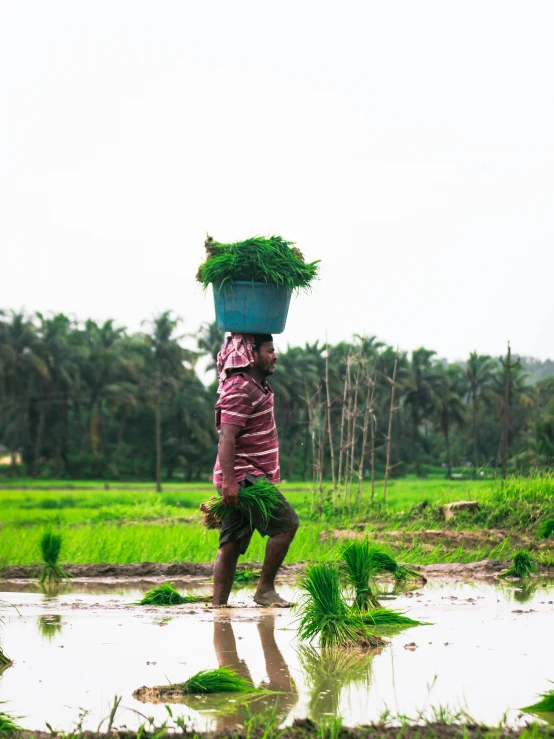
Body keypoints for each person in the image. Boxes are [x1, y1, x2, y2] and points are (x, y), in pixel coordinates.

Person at [212, 332, 299, 607]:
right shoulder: (240, 388)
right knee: (287, 524)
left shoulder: (256, 385)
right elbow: (227, 437)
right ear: (251, 354)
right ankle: (265, 589)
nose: (275, 356)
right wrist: (229, 483)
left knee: (231, 545)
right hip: (244, 477)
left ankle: (218, 607)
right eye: (269, 350)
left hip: (242, 477)